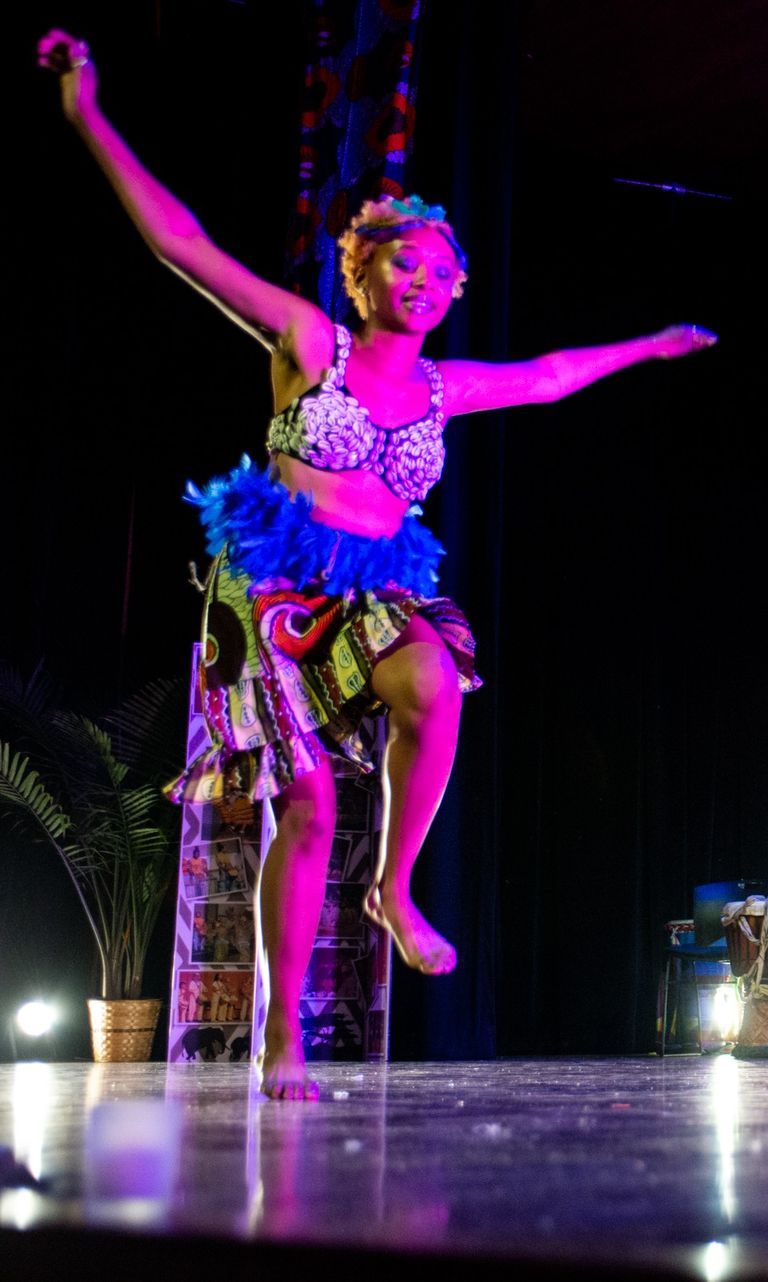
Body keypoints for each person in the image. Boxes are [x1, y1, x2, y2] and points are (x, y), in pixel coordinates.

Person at [39, 30, 716, 1099]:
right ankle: (281, 1040)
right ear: (360, 270)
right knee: (304, 801)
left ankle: (393, 890)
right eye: (408, 260)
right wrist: (87, 113)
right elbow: (186, 247)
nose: (429, 282)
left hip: (375, 582)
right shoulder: (310, 343)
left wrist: (648, 347)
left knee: (435, 683)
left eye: (445, 272)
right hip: (271, 583)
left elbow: (545, 376)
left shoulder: (445, 387)